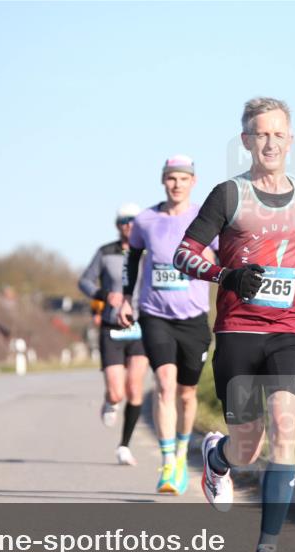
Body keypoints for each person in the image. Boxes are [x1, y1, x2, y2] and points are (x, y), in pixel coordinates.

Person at [172, 98, 295, 552]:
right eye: (260, 134)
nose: (270, 142)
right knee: (250, 447)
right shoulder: (229, 195)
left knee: (286, 426)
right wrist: (227, 275)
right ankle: (218, 456)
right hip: (237, 331)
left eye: (278, 134)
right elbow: (185, 254)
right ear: (247, 140)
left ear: (290, 140)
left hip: (288, 332)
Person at [119, 156, 218, 495]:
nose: (176, 184)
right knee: (165, 384)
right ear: (163, 181)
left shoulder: (205, 218)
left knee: (187, 395)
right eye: (171, 178)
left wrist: (213, 263)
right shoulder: (146, 220)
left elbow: (226, 258)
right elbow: (131, 261)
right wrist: (123, 298)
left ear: (193, 181)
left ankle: (179, 451)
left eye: (182, 178)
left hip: (193, 317)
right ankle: (166, 464)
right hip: (154, 313)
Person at [78, 203, 148, 466]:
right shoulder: (105, 252)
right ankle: (110, 402)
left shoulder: (147, 254)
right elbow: (84, 281)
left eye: (133, 221)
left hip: (141, 327)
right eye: (123, 221)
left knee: (135, 387)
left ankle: (124, 446)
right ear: (117, 225)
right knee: (118, 392)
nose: (128, 225)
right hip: (111, 326)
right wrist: (104, 295)